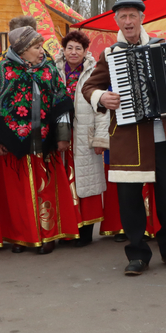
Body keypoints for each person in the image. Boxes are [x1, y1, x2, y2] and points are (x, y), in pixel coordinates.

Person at [81, 0, 166, 276]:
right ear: (116, 21)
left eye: (133, 16)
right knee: (129, 199)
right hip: (128, 139)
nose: (128, 22)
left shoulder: (163, 48)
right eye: (123, 17)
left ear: (142, 18)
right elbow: (89, 87)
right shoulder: (110, 54)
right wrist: (102, 96)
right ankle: (137, 254)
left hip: (163, 136)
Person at [0, 24, 78, 253]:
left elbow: (61, 104)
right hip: (15, 142)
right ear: (22, 49)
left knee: (45, 188)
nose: (41, 50)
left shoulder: (48, 68)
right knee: (19, 192)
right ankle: (22, 236)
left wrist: (63, 136)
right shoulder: (3, 69)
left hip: (45, 141)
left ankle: (48, 235)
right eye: (36, 47)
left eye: (40, 46)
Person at [56, 30, 108, 247]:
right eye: (70, 48)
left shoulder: (93, 72)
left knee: (85, 183)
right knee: (63, 184)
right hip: (60, 137)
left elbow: (103, 110)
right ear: (64, 50)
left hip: (85, 135)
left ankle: (85, 231)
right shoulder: (54, 71)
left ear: (86, 51)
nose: (74, 52)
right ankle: (66, 230)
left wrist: (100, 139)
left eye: (79, 48)